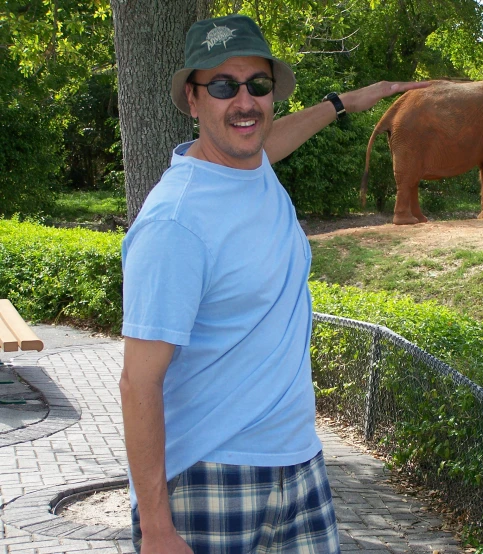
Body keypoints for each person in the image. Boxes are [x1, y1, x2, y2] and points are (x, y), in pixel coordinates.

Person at [119, 13, 427, 554]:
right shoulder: (177, 222)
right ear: (193, 100)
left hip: (298, 462)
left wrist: (340, 104)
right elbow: (137, 383)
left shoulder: (250, 164)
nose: (244, 101)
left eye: (258, 85)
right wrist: (157, 529)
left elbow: (268, 140)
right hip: (211, 478)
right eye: (222, 86)